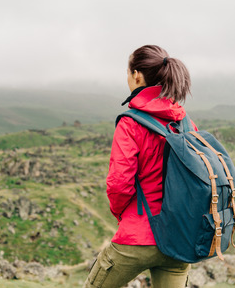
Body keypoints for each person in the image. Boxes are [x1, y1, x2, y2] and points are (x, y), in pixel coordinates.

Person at [84, 45, 196, 288]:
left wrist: (124, 216)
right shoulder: (185, 122)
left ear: (136, 75)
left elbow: (119, 184)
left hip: (138, 236)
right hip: (179, 238)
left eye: (127, 72)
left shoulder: (130, 123)